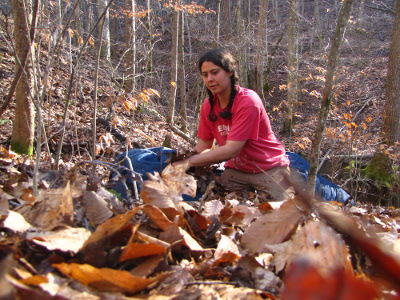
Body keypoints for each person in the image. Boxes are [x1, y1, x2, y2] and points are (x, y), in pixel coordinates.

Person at [179, 48, 295, 201]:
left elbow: (231, 150)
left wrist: (189, 162)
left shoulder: (248, 101)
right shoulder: (208, 105)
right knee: (209, 200)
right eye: (205, 75)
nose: (210, 79)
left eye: (215, 72)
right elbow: (204, 144)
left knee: (287, 212)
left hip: (269, 168)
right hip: (237, 171)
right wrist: (183, 161)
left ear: (229, 72)